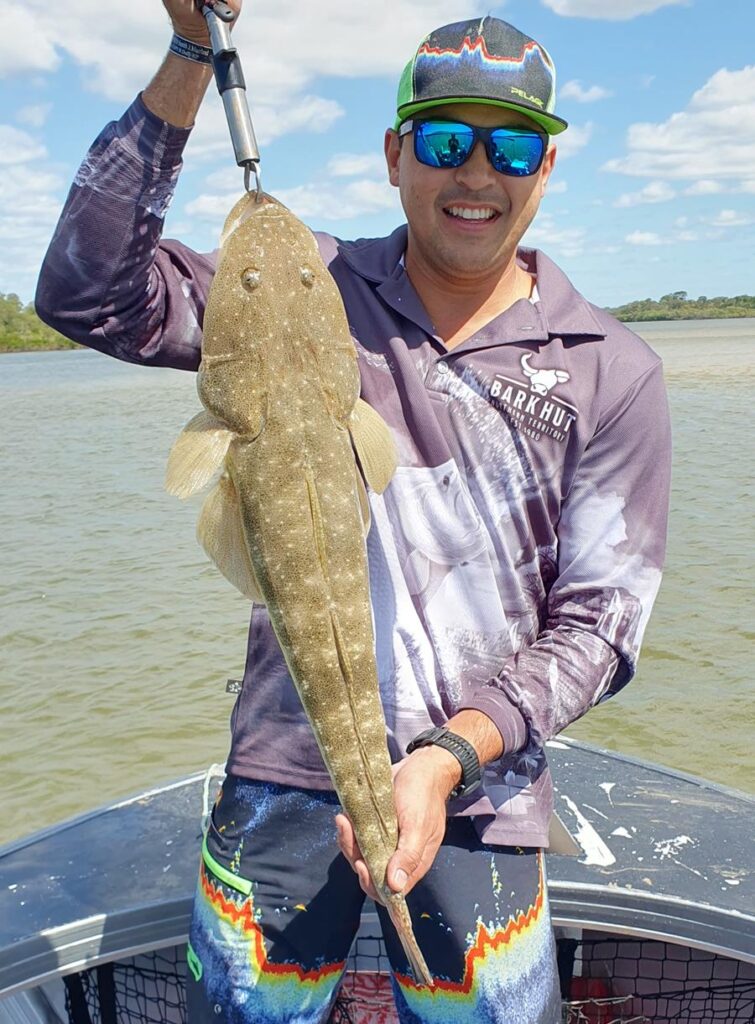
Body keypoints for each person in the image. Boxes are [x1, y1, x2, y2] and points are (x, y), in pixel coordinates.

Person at [36, 6, 671, 1023]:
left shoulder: (611, 372)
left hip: (480, 795)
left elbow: (599, 625)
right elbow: (83, 292)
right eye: (441, 138)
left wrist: (448, 752)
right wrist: (191, 59)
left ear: (546, 167)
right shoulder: (308, 289)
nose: (475, 171)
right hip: (280, 778)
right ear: (392, 154)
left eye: (509, 145)